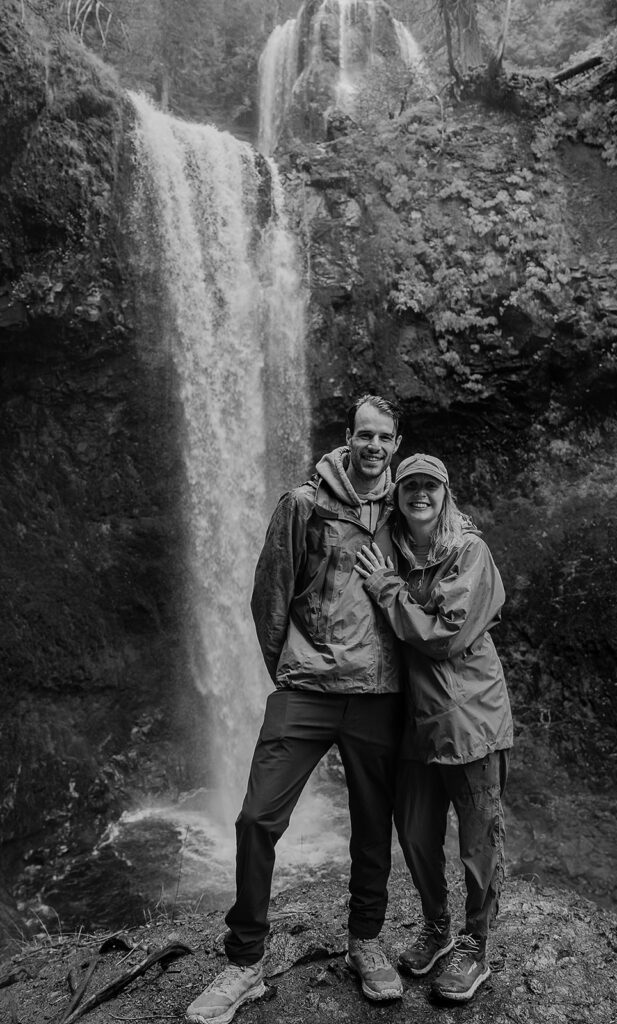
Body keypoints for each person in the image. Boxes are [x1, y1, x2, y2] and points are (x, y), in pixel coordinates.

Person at [187, 395, 405, 1024]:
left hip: (376, 695)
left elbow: (445, 542)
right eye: (364, 435)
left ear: (395, 443)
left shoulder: (404, 507)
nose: (373, 446)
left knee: (371, 827)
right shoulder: (302, 505)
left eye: (384, 438)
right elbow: (269, 596)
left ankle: (365, 942)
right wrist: (287, 668)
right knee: (257, 819)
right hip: (305, 689)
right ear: (348, 438)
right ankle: (245, 962)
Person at [354, 453, 513, 1005]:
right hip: (416, 718)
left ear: (445, 494)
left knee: (477, 837)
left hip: (470, 714)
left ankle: (476, 943)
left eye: (430, 486)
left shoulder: (468, 550)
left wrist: (389, 591)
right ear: (398, 495)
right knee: (417, 833)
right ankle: (438, 926)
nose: (420, 494)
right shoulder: (390, 546)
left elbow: (446, 635)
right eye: (410, 486)